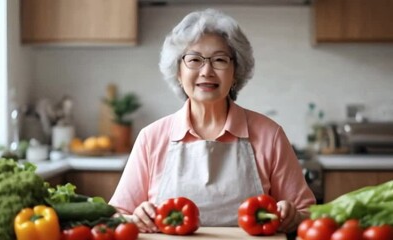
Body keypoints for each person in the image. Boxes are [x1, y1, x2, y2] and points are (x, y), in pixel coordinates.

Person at [109, 8, 316, 234]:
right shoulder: (152, 137)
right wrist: (135, 217)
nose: (206, 71)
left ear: (236, 72)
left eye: (220, 60)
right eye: (194, 60)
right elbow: (118, 213)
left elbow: (307, 212)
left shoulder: (270, 135)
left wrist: (292, 216)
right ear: (178, 72)